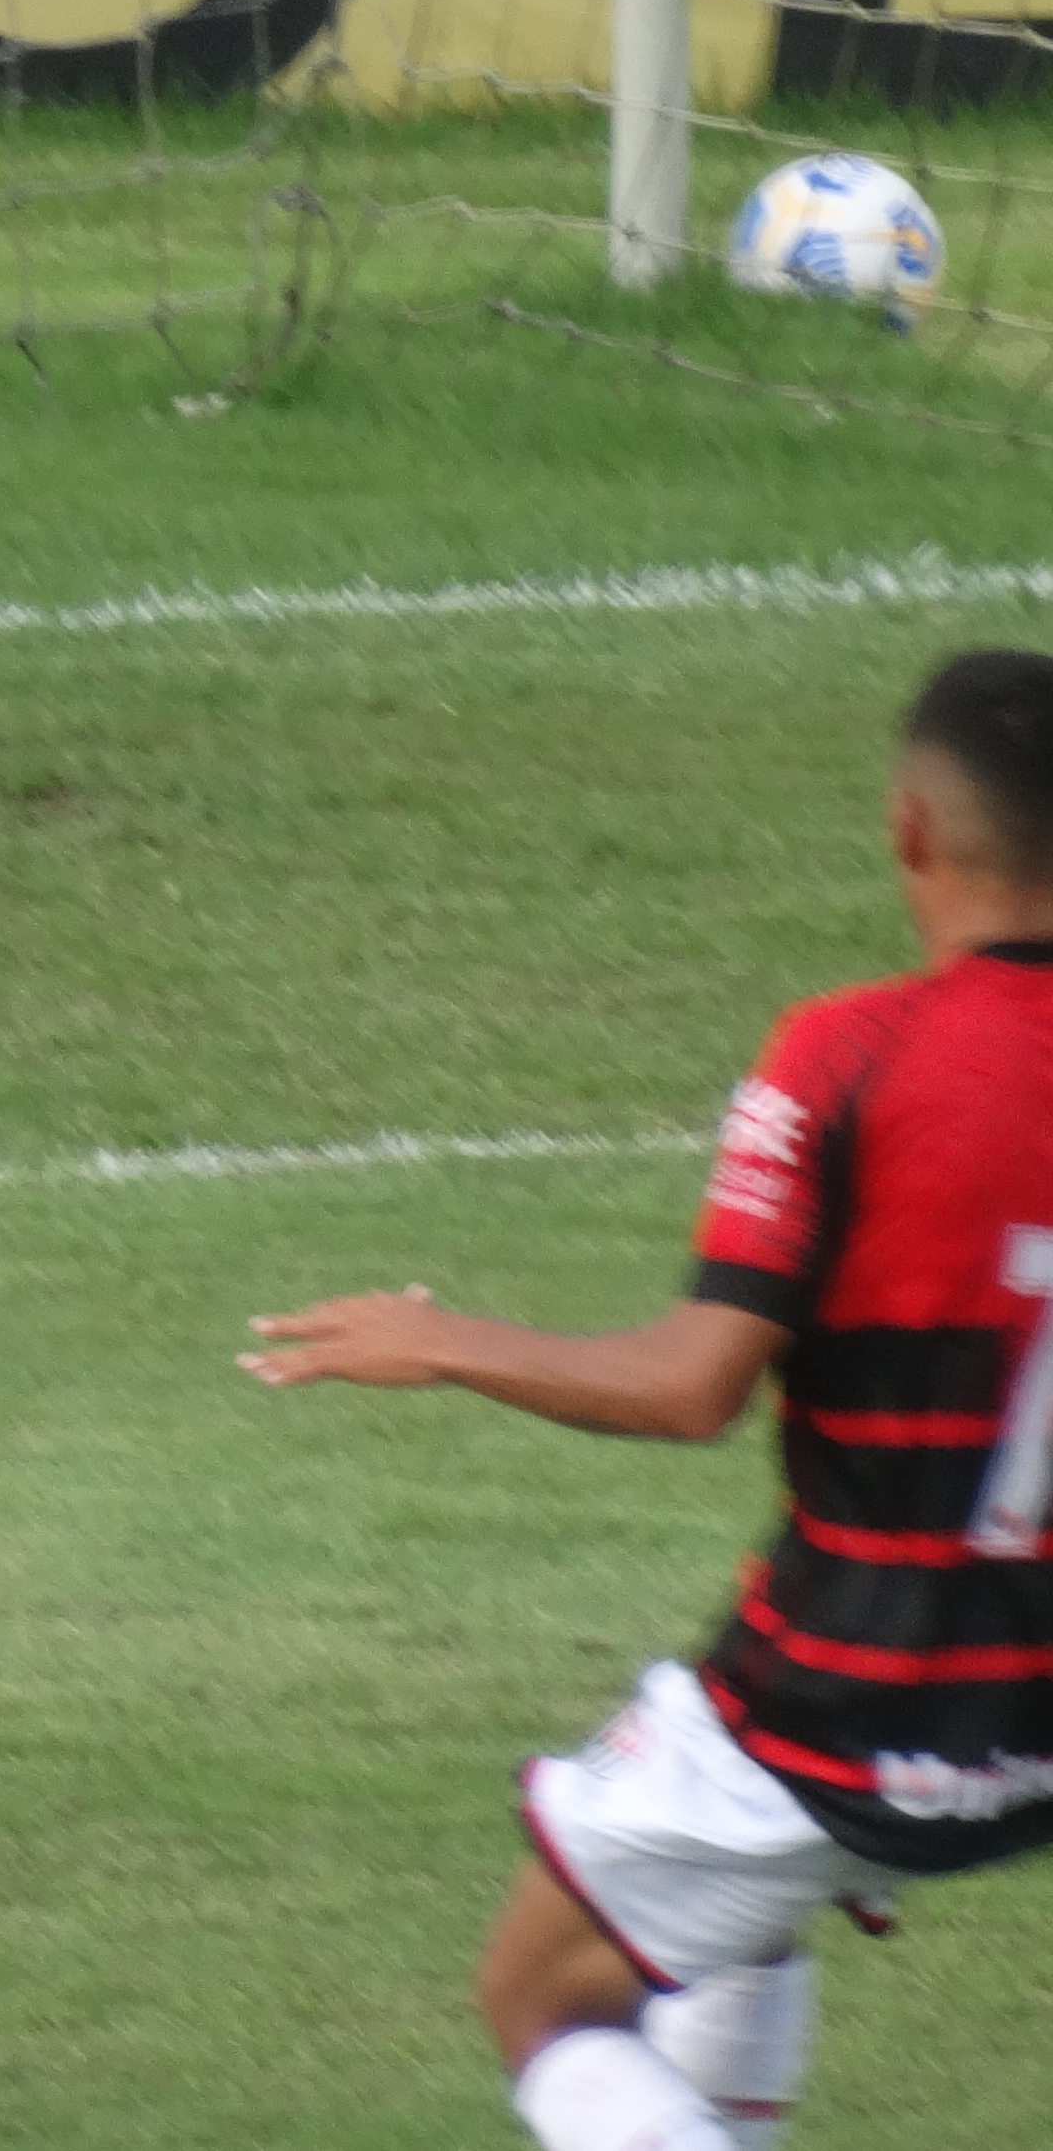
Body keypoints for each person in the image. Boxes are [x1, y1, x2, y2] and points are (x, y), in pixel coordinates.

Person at [245, 648, 1053, 2151]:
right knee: (736, 1907)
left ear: (911, 832)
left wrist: (448, 1338)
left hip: (857, 1698)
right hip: (1038, 1717)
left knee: (542, 1998)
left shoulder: (849, 1056)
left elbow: (694, 1391)